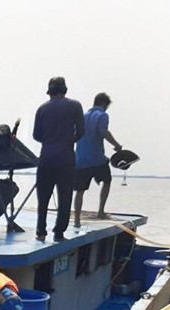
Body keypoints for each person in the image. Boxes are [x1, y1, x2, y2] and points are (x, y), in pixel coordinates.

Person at [33, 77, 85, 242]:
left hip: (46, 156)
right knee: (65, 197)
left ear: (50, 92)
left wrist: (50, 142)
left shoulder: (42, 109)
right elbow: (81, 130)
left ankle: (41, 232)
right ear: (64, 90)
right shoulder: (75, 106)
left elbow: (36, 135)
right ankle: (58, 233)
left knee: (43, 198)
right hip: (66, 157)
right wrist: (69, 140)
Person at [73, 92, 123, 229]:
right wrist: (116, 145)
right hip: (97, 159)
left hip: (81, 160)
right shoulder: (102, 115)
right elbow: (103, 132)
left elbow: (73, 135)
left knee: (79, 191)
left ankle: (76, 220)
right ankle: (101, 211)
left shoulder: (82, 116)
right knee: (107, 181)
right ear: (103, 104)